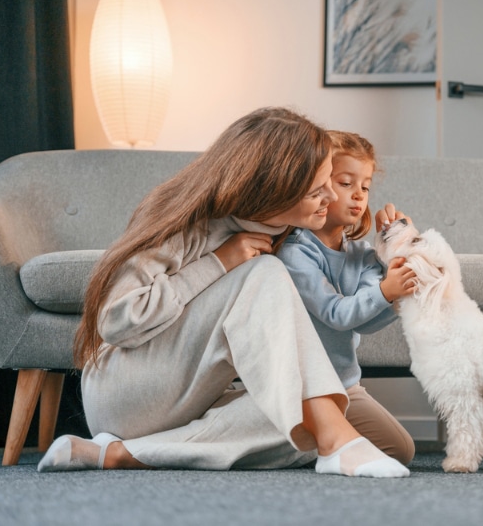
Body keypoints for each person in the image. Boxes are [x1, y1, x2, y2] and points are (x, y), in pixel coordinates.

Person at [37, 107, 410, 478]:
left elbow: (333, 298)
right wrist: (219, 262)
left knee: (326, 422)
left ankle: (122, 454)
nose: (332, 196)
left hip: (194, 400)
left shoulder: (282, 236)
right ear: (275, 188)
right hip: (126, 394)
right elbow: (117, 320)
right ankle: (337, 444)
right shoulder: (190, 223)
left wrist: (391, 243)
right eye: (319, 189)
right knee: (264, 272)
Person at [276, 131, 416, 465]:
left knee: (401, 450)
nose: (358, 196)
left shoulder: (363, 255)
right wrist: (386, 291)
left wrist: (396, 247)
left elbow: (365, 323)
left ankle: (319, 441)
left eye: (365, 187)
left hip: (343, 385)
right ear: (320, 186)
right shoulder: (296, 252)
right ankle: (309, 436)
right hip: (302, 387)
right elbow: (336, 314)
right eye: (345, 183)